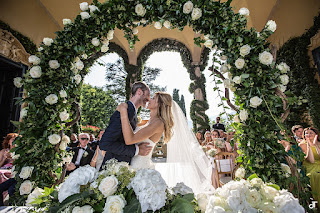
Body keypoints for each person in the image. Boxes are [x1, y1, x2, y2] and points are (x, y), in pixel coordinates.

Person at [117, 91, 214, 194]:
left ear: (160, 104)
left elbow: (129, 139)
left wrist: (123, 113)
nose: (150, 99)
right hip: (134, 163)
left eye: (154, 98)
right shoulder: (149, 121)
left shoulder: (158, 123)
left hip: (140, 167)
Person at [99, 82, 153, 166]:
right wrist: (137, 150)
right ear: (139, 92)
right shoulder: (126, 110)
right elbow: (105, 143)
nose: (149, 98)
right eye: (148, 94)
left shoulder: (131, 111)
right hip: (113, 169)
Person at [299, 127, 320, 203]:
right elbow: (311, 160)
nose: (308, 135)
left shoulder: (319, 144)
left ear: (316, 134)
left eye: (311, 133)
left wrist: (315, 145)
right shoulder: (302, 145)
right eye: (306, 133)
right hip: (310, 166)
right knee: (317, 175)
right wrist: (308, 145)